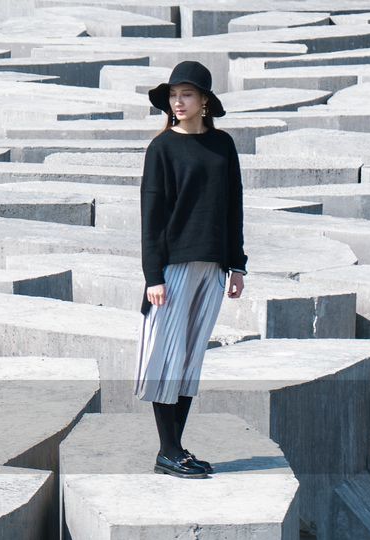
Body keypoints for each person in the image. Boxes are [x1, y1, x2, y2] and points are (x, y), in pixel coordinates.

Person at [135, 60, 247, 479]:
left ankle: (175, 449)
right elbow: (152, 217)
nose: (177, 102)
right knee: (164, 357)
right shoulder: (162, 148)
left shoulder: (223, 146)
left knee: (189, 359)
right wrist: (154, 276)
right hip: (174, 267)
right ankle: (168, 451)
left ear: (204, 102)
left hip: (213, 267)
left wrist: (237, 264)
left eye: (186, 95)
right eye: (173, 95)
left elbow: (233, 206)